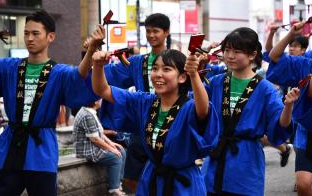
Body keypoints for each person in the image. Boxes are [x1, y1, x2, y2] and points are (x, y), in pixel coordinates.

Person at [91, 38, 219, 196]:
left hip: (183, 186)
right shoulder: (144, 102)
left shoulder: (189, 107)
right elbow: (102, 90)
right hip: (151, 180)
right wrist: (97, 66)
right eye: (155, 68)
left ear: (182, 77)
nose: (158, 74)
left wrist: (194, 74)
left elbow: (203, 109)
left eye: (166, 69)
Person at [0, 10, 98, 196]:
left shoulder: (59, 72)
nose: (29, 38)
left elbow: (79, 76)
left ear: (50, 36)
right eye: (26, 33)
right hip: (9, 147)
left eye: (35, 33)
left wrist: (91, 51)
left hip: (41, 149)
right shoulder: (8, 67)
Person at [201, 27, 299, 195]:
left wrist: (288, 106)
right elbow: (196, 109)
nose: (230, 56)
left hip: (246, 162)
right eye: (227, 50)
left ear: (252, 55)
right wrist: (196, 72)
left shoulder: (265, 88)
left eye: (237, 51)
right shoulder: (216, 82)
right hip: (215, 160)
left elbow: (278, 127)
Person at [88, 13, 171, 193]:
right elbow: (106, 78)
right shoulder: (137, 62)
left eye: (155, 31)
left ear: (166, 32)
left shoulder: (179, 61)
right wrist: (92, 53)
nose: (151, 36)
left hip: (169, 127)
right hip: (141, 128)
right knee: (132, 182)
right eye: (148, 31)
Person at [267, 23, 312, 196]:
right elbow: (275, 56)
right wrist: (290, 35)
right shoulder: (305, 64)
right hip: (307, 134)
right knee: (302, 185)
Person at [73, 100, 126, 196]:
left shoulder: (90, 111)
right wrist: (111, 149)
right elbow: (95, 139)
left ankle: (118, 184)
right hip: (88, 150)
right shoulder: (87, 115)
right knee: (116, 158)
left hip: (93, 146)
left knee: (121, 150)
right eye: (100, 99)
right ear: (95, 101)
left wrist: (112, 144)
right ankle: (113, 190)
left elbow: (99, 133)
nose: (102, 100)